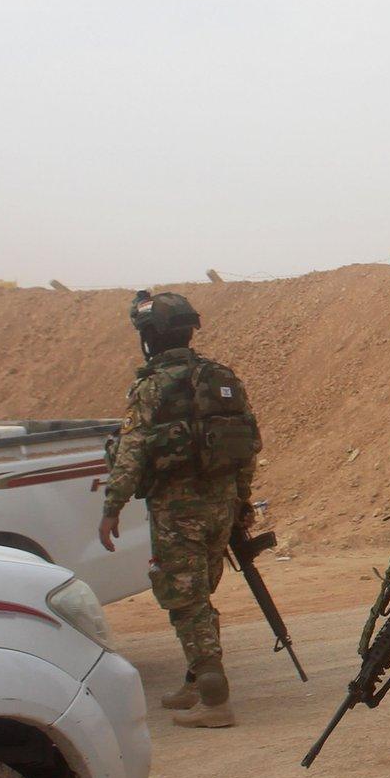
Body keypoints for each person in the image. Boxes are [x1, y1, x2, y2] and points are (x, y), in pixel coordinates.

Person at [99, 291, 261, 728]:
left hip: (176, 512)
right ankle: (196, 681)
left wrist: (112, 506)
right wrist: (241, 502)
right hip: (220, 507)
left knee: (185, 599)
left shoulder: (151, 387)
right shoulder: (222, 377)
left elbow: (131, 451)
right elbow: (247, 445)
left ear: (151, 337)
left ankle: (215, 699)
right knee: (199, 594)